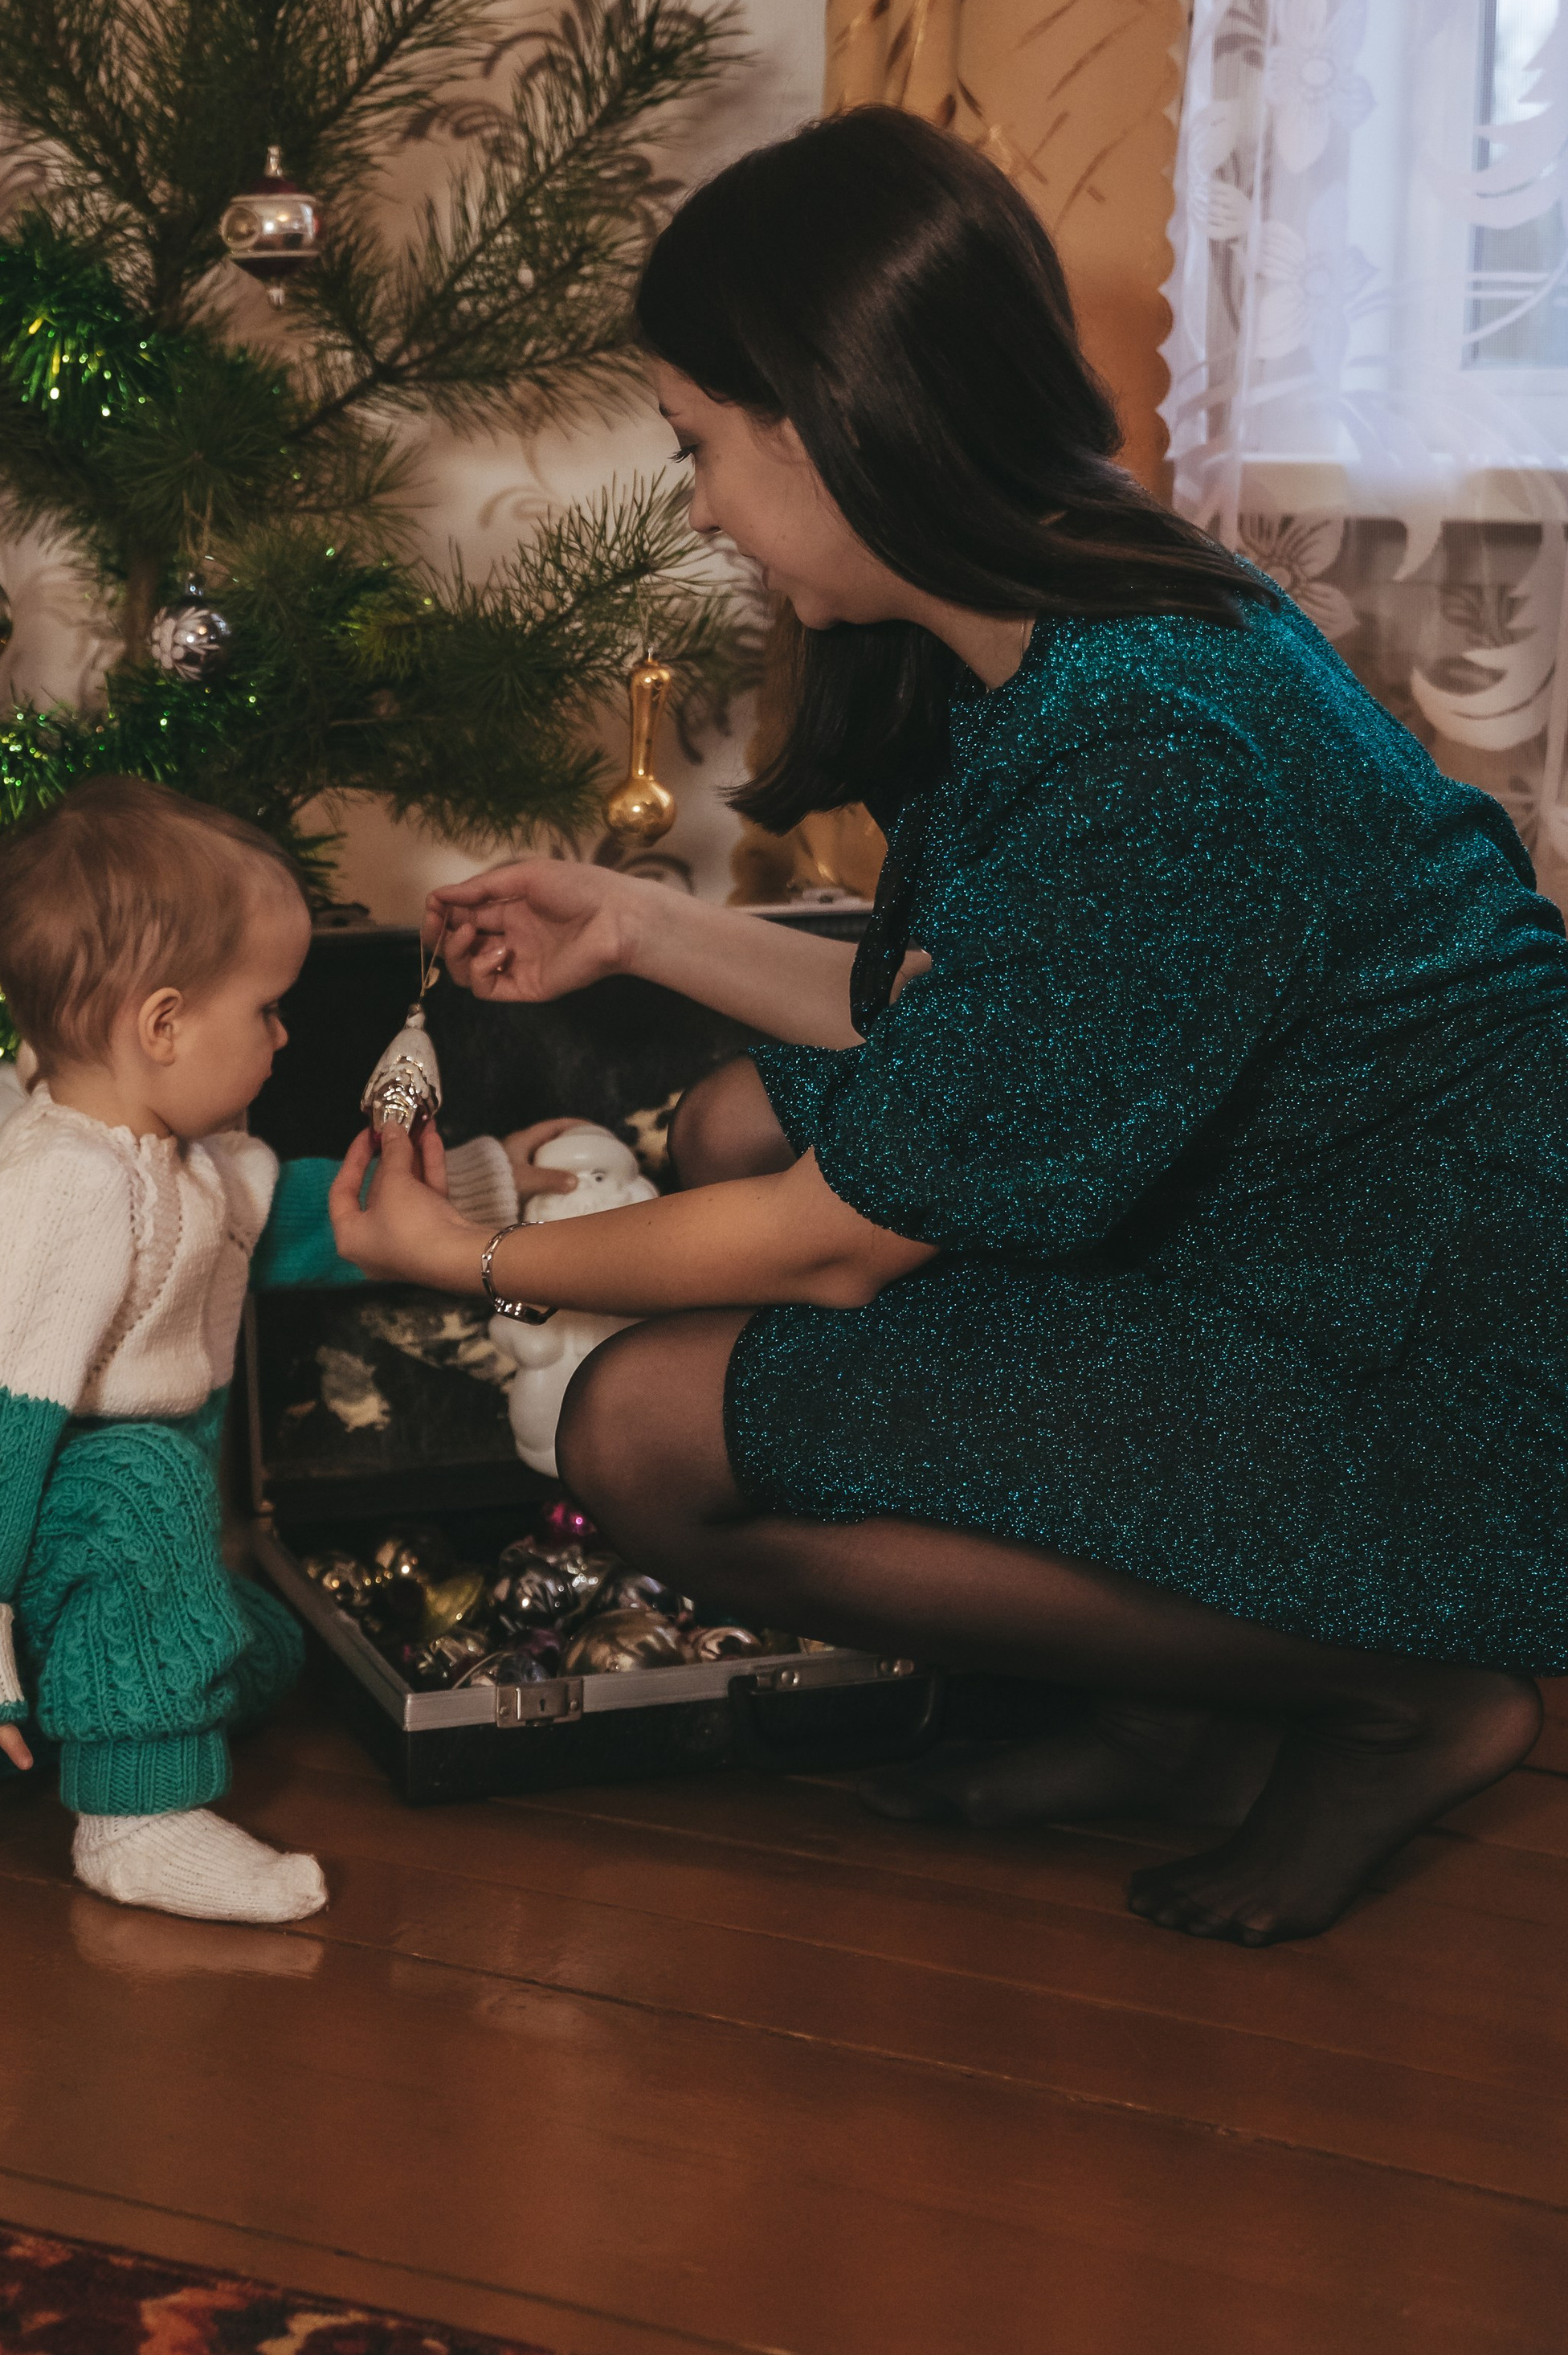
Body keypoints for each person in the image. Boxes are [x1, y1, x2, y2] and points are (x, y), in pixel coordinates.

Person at [329, 104, 1568, 1948]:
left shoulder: (1156, 740)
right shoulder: (1048, 636)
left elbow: (841, 1243)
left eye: (696, 448)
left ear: (835, 416)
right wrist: (642, 924)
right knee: (750, 1115)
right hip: (1290, 1246)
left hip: (1422, 1359)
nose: (693, 506)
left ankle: (1397, 1689)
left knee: (639, 1432)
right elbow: (984, 1026)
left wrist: (495, 1258)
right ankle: (1172, 1699)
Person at [0, 776, 329, 1924]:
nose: (285, 1037)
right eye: (267, 1009)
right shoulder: (55, 1194)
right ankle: (131, 1816)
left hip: (47, 1536)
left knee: (262, 1651)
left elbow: (283, 1217)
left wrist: (488, 1197)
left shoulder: (184, 1158)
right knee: (142, 1483)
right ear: (164, 1024)